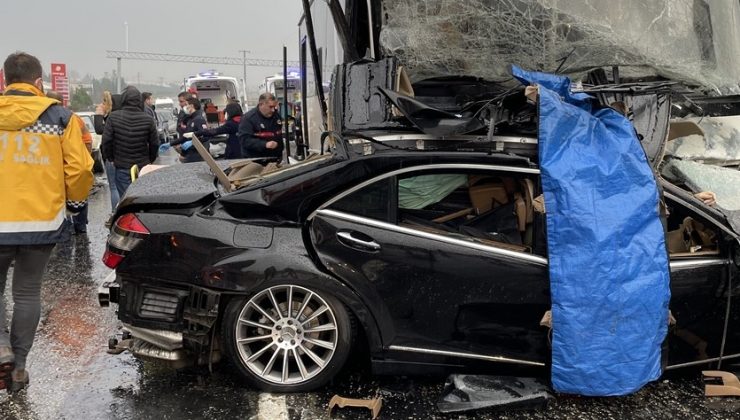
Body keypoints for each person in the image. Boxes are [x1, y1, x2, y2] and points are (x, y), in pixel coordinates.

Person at [0, 52, 93, 393]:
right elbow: (81, 169)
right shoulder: (60, 117)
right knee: (26, 293)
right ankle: (20, 366)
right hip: (40, 222)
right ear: (39, 83)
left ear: (6, 80)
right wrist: (74, 203)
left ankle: (0, 349)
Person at [47, 90, 93, 234]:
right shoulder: (73, 118)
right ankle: (80, 226)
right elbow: (88, 140)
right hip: (73, 163)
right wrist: (85, 158)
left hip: (54, 169)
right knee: (79, 192)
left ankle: (63, 228)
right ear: (63, 102)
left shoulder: (42, 119)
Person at [101, 86, 159, 198]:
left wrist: (111, 158)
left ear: (123, 100)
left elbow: (106, 141)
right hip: (142, 165)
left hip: (122, 165)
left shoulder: (113, 117)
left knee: (127, 199)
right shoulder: (148, 119)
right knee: (143, 197)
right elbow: (155, 143)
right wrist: (150, 159)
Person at [94, 91, 122, 211]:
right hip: (127, 156)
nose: (102, 104)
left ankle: (115, 213)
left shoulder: (112, 118)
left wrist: (98, 115)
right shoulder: (124, 116)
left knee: (114, 187)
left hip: (112, 156)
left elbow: (100, 129)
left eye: (104, 101)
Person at [238, 92, 283, 161]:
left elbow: (278, 133)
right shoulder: (248, 119)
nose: (273, 110)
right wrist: (265, 144)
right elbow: (244, 140)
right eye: (270, 107)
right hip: (256, 161)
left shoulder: (276, 116)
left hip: (275, 158)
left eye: (274, 107)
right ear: (261, 104)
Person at [171, 96, 209, 163]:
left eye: (186, 105)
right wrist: (171, 143)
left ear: (191, 106)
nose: (185, 107)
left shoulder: (198, 119)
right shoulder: (191, 118)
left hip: (197, 154)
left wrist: (193, 143)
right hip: (190, 153)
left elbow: (205, 135)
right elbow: (186, 136)